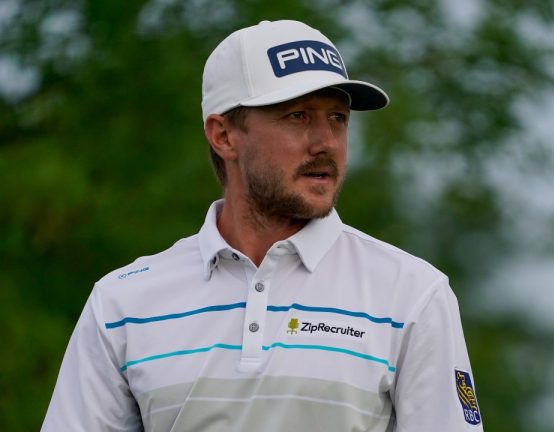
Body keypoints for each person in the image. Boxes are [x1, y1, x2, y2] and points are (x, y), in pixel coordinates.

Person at [42, 19, 482, 431]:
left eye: (337, 118)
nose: (326, 142)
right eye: (298, 116)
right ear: (223, 136)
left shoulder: (413, 294)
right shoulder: (122, 302)